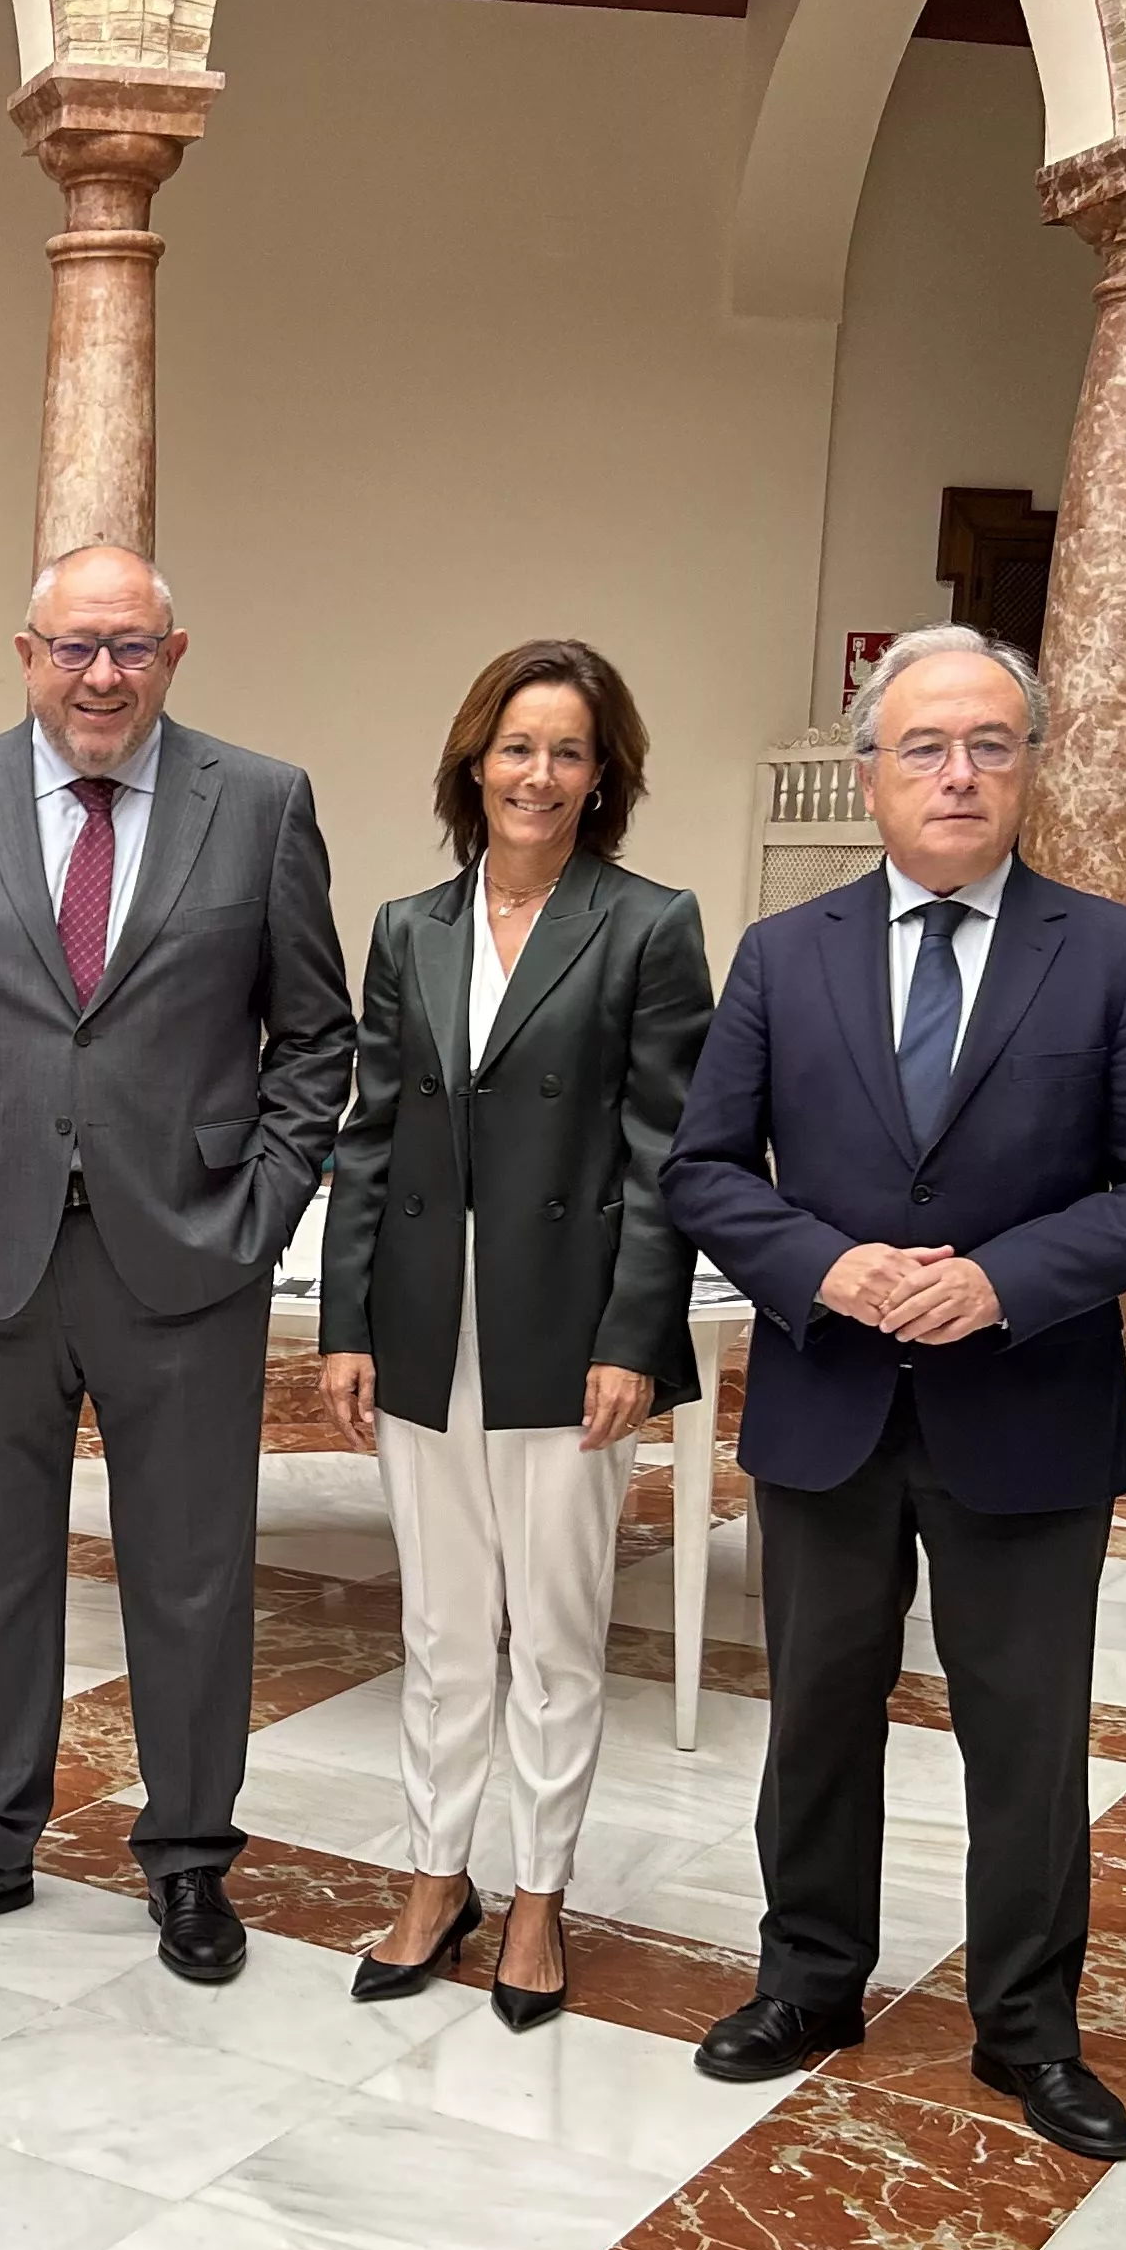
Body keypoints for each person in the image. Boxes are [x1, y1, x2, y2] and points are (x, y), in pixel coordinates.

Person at [663, 623, 1126, 2160]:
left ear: (1032, 766)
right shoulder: (787, 955)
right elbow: (705, 1168)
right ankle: (808, 1982)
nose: (959, 773)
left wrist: (1005, 1280)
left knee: (1028, 1736)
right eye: (925, 746)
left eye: (991, 743)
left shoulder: (1114, 955)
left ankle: (1031, 2029)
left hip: (1028, 1404)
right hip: (829, 1397)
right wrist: (829, 1269)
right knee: (820, 1717)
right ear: (871, 776)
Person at [0, 544, 354, 1983]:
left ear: (176, 655)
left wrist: (260, 1206)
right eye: (75, 647)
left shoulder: (258, 804)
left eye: (130, 648)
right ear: (24, 652)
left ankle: (192, 1858)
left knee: (190, 1577)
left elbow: (315, 1037)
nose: (101, 676)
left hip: (186, 1255)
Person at [319, 641, 711, 2029]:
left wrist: (632, 1334)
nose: (538, 774)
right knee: (438, 1627)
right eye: (517, 746)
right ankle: (437, 1877)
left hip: (566, 1333)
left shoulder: (650, 926)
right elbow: (369, 1138)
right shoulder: (406, 927)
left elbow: (674, 1152)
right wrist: (347, 1317)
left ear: (604, 778)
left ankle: (538, 1894)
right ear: (472, 763)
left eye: (568, 752)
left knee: (550, 1630)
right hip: (427, 1323)